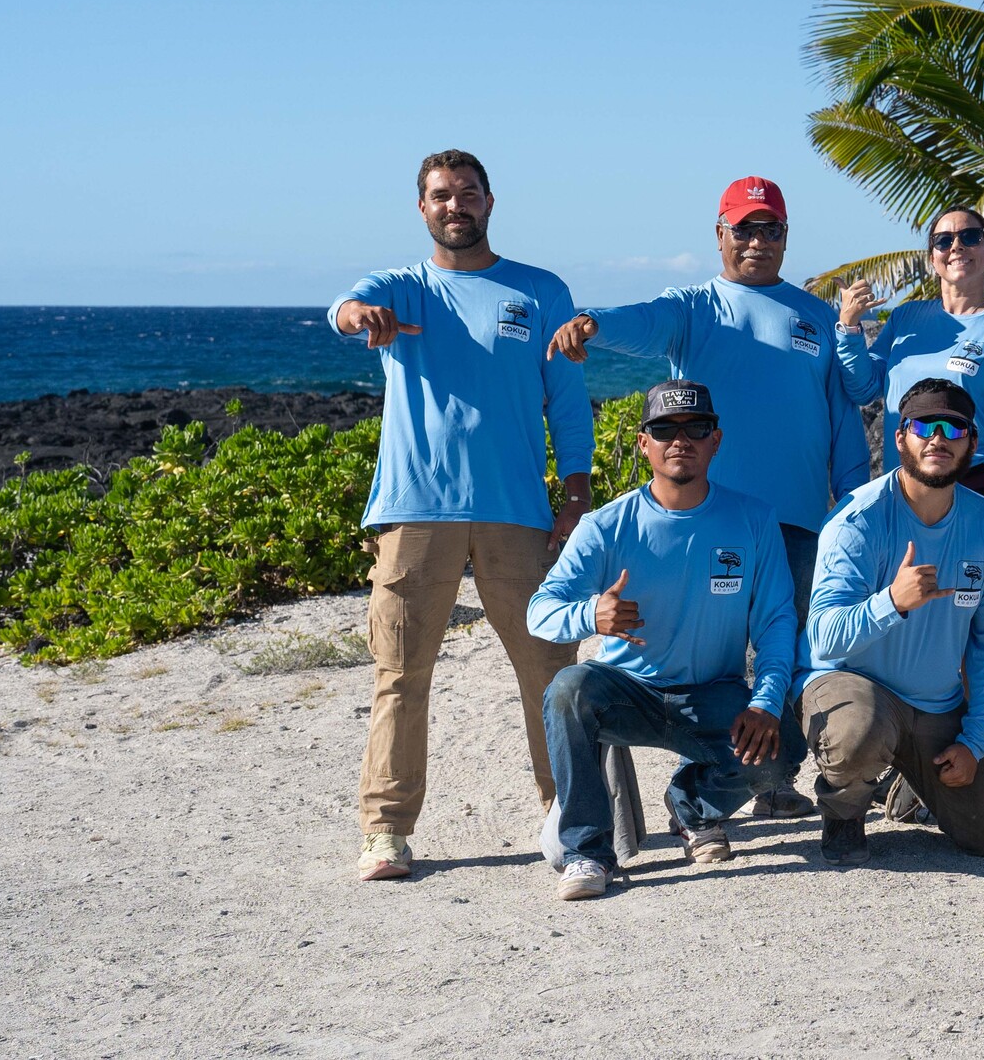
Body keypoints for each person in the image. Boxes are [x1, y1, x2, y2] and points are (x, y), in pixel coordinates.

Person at [547, 175, 866, 819]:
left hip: (798, 519)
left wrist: (854, 506)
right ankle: (705, 772)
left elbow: (842, 420)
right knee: (712, 655)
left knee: (794, 647)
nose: (756, 240)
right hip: (710, 518)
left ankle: (771, 781)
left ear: (784, 237)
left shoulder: (816, 315)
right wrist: (592, 324)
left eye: (769, 228)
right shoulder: (694, 305)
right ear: (720, 234)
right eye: (743, 228)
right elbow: (640, 321)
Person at [330, 149, 593, 883]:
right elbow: (346, 308)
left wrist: (576, 495)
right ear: (422, 207)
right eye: (442, 195)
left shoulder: (539, 290)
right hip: (415, 512)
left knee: (549, 668)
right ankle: (386, 831)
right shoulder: (402, 290)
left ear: (489, 202)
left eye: (468, 194)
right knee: (400, 672)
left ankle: (569, 817)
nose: (456, 206)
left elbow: (568, 404)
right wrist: (361, 316)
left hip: (517, 512)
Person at [527, 382, 794, 900]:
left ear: (715, 440)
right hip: (627, 690)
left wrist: (765, 701)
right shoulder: (605, 526)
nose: (681, 440)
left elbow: (777, 623)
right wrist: (591, 613)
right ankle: (587, 851)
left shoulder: (754, 520)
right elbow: (540, 611)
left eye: (695, 428)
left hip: (714, 693)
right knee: (568, 689)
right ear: (643, 444)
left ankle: (691, 806)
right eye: (664, 429)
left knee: (786, 751)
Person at [800, 380, 984, 863]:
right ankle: (844, 810)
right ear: (900, 437)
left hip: (934, 705)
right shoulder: (858, 519)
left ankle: (909, 781)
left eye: (954, 427)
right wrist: (892, 602)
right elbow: (822, 639)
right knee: (859, 732)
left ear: (973, 444)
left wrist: (974, 740)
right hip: (852, 689)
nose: (938, 438)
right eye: (924, 425)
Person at [860, 206, 984, 525]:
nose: (956, 246)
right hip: (903, 487)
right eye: (943, 240)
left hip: (975, 487)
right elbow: (862, 386)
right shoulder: (905, 318)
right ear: (933, 258)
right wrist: (850, 329)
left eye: (970, 237)